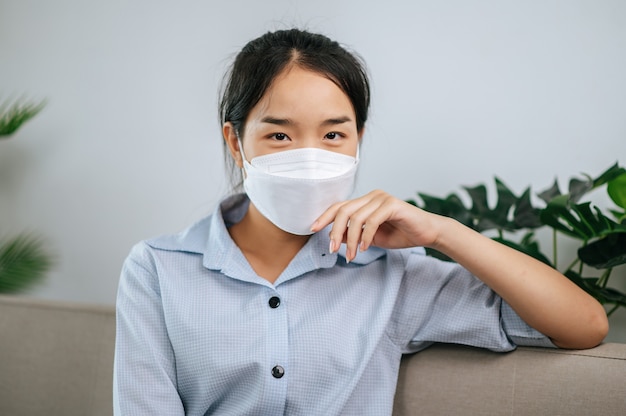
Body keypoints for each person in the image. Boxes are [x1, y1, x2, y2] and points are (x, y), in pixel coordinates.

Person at [113, 28, 608, 415]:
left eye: (333, 135)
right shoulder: (158, 270)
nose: (309, 158)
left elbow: (583, 326)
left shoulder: (391, 272)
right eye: (280, 136)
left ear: (358, 140)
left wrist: (441, 232)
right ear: (235, 141)